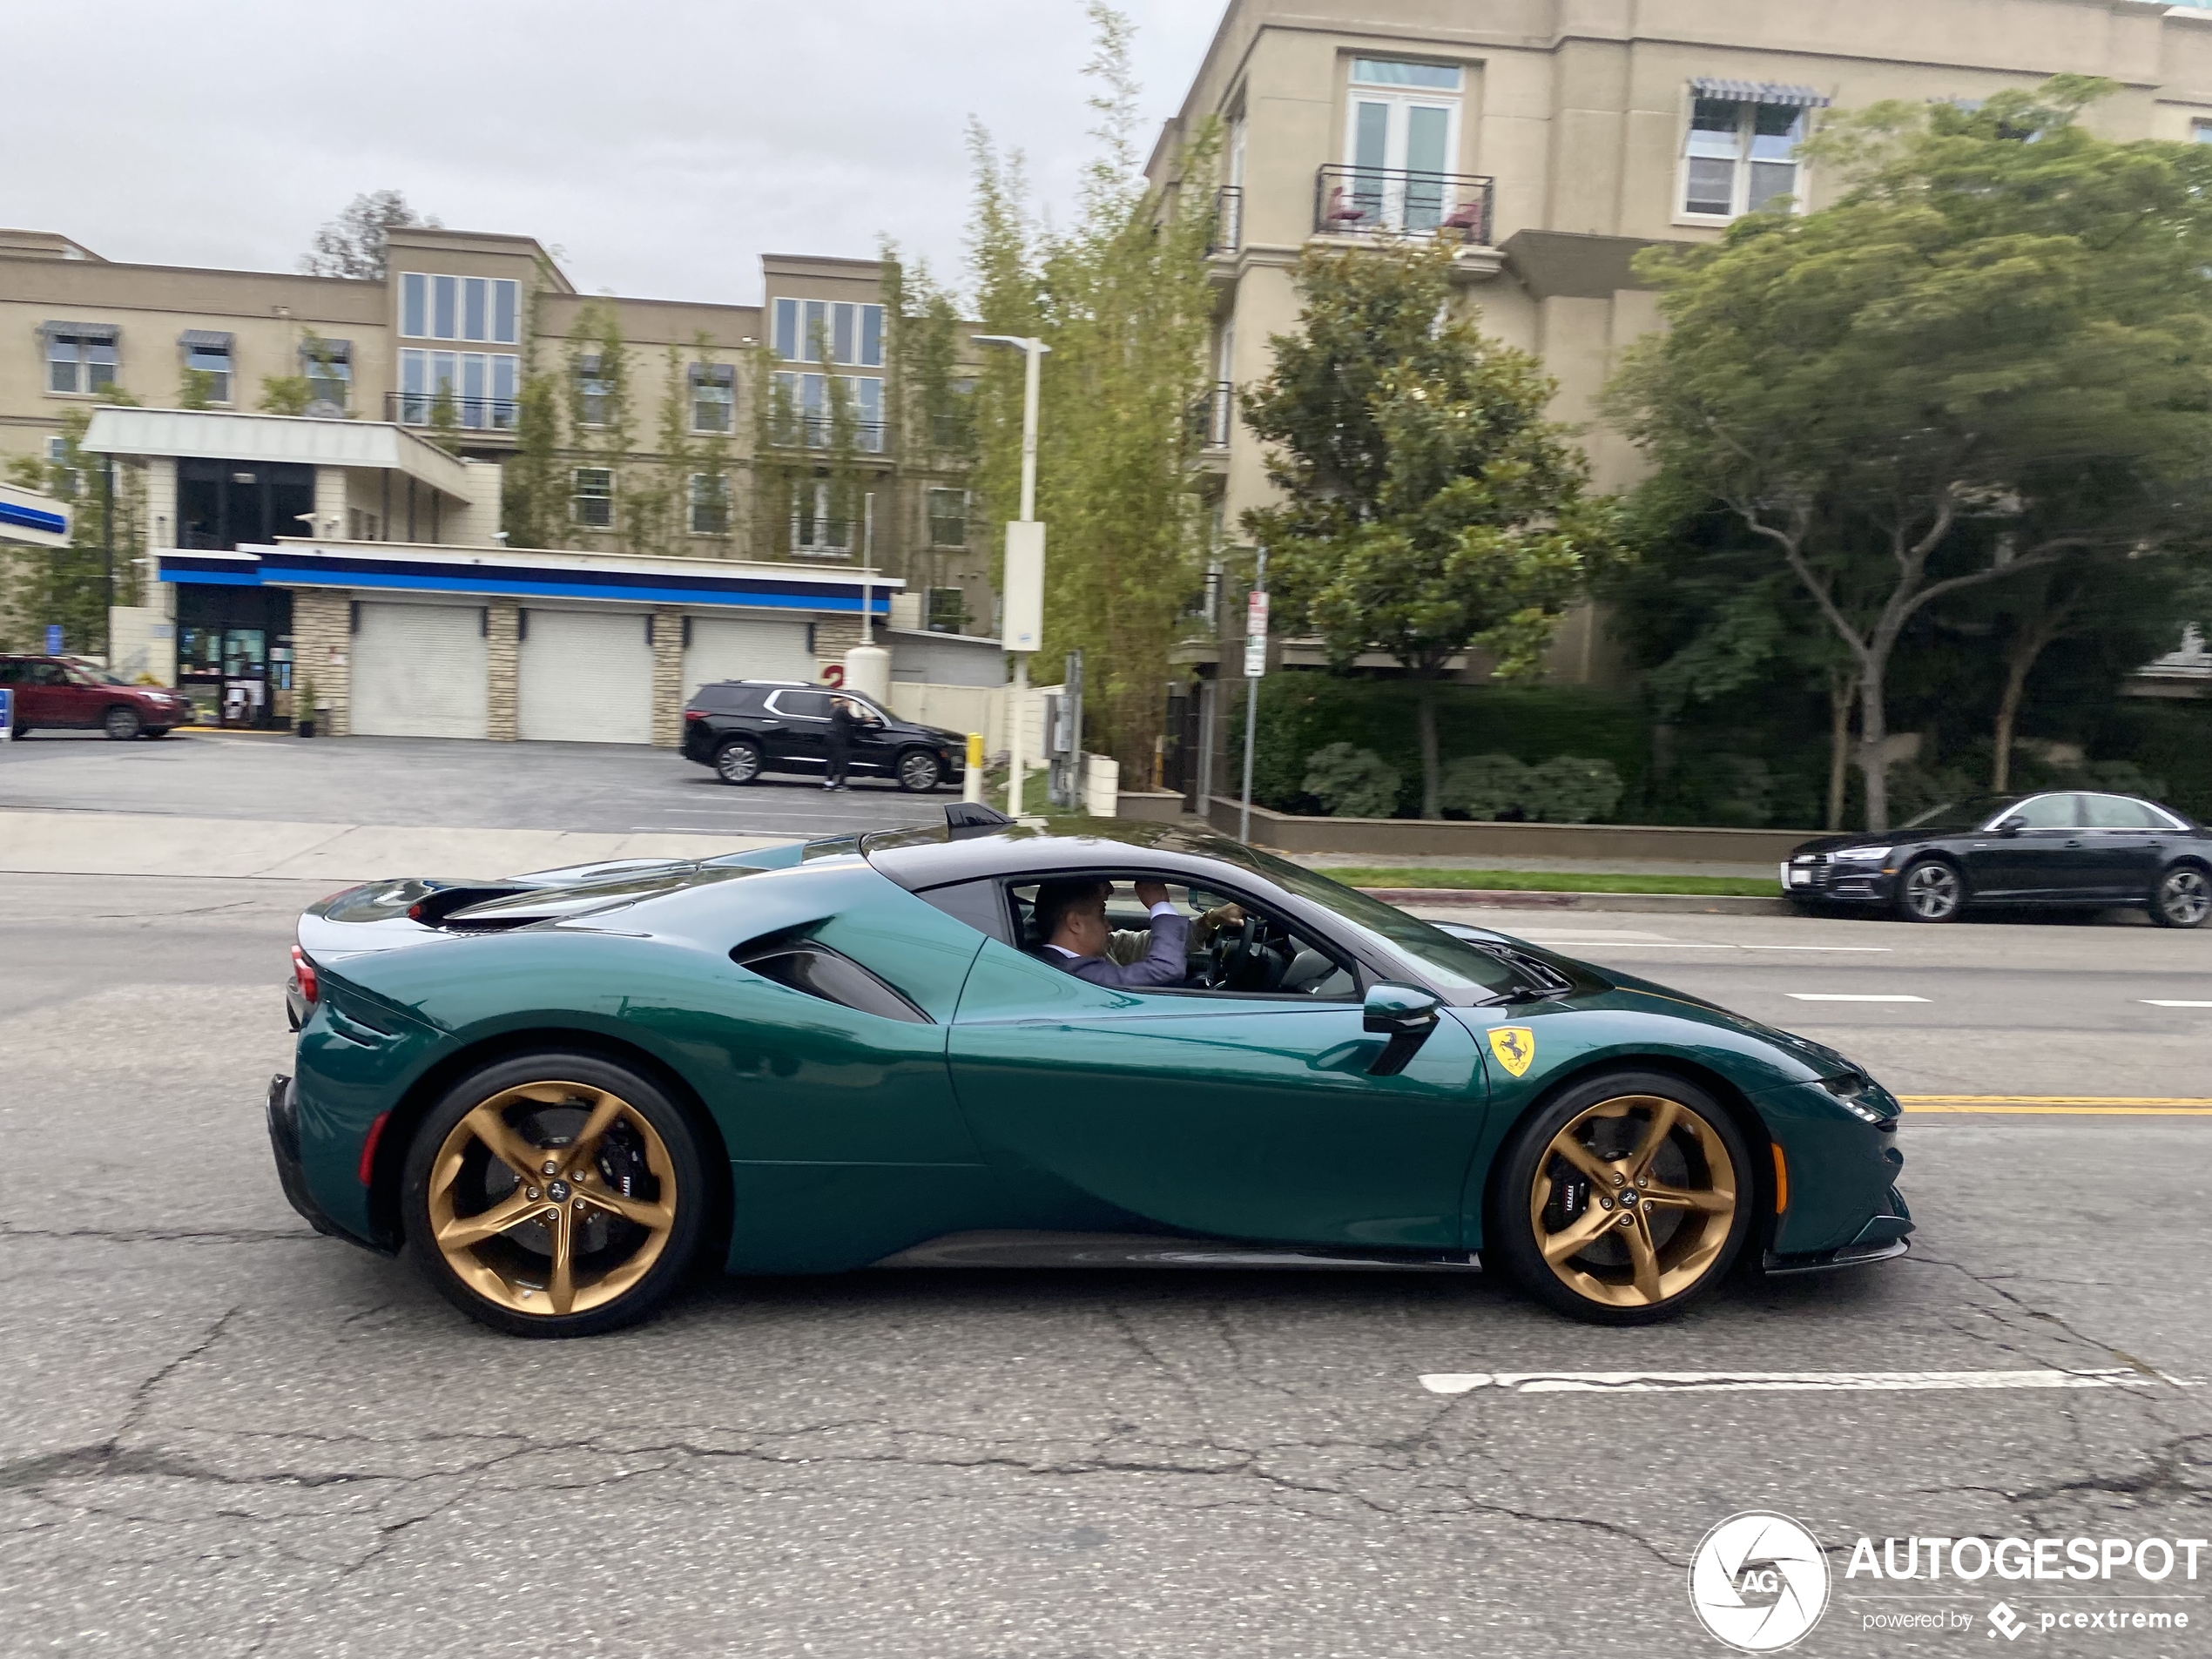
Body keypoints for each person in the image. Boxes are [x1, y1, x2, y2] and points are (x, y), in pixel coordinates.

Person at [1033, 879, 1189, 988]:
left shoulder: (1045, 961)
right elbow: (1166, 969)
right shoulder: (1073, 974)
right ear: (1075, 923)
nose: (1109, 927)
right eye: (1101, 914)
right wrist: (1159, 904)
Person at [823, 693, 856, 791]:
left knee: (832, 760)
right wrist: (867, 720)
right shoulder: (843, 709)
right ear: (845, 702)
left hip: (831, 737)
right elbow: (853, 721)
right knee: (843, 761)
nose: (850, 705)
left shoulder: (834, 710)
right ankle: (841, 784)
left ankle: (829, 783)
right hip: (840, 738)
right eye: (850, 702)